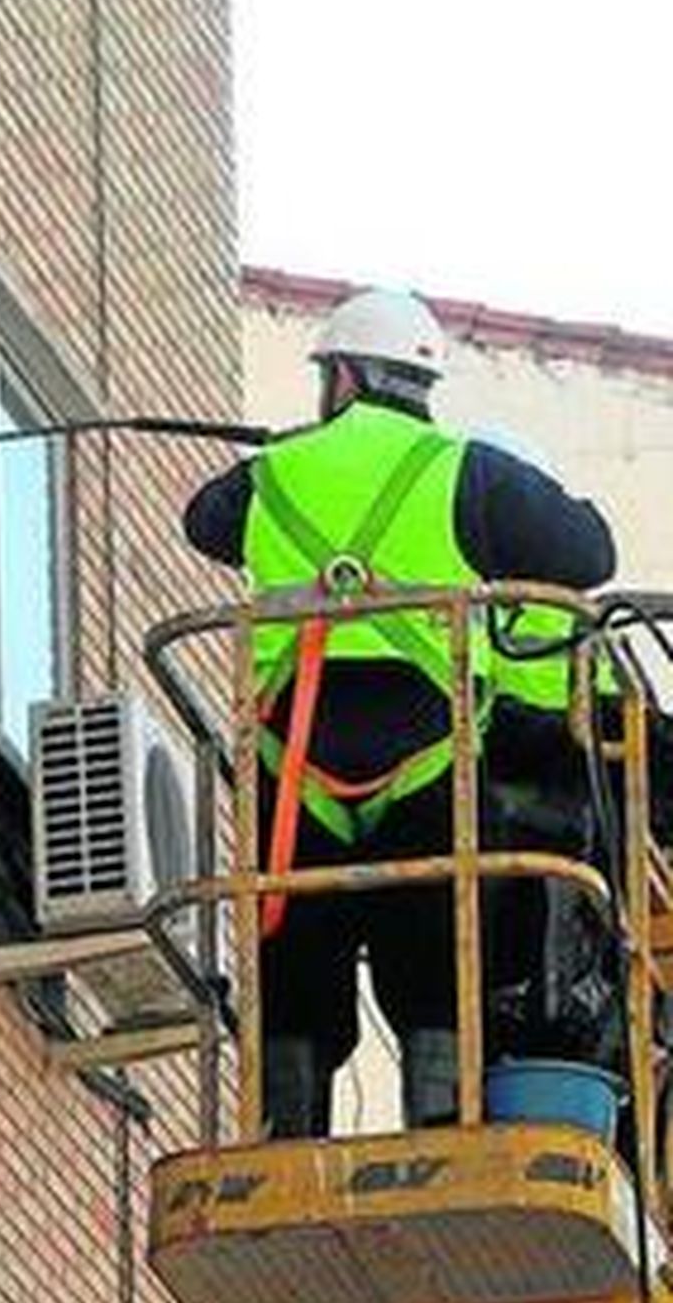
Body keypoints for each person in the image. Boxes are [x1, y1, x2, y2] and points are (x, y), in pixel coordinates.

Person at [184, 286, 616, 1139]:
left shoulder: (271, 475)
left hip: (291, 755)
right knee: (438, 944)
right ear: (419, 386)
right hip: (430, 757)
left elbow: (205, 522)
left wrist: (291, 458)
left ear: (339, 377)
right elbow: (587, 553)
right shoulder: (466, 471)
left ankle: (289, 1130)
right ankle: (441, 1126)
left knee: (297, 942)